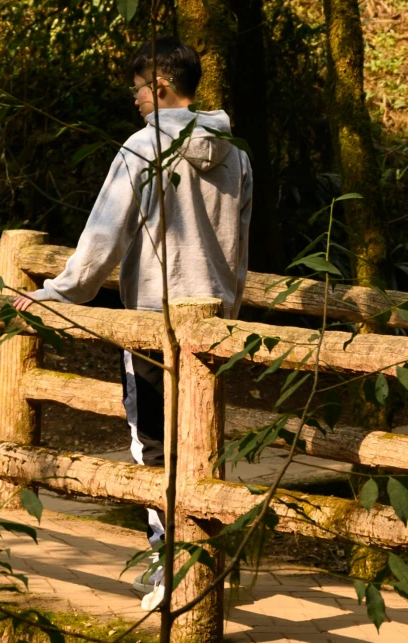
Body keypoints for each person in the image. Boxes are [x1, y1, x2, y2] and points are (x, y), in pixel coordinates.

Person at [29, 38, 253, 610]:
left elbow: (104, 235)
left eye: (137, 89)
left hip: (157, 320)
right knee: (203, 441)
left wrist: (59, 294)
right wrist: (230, 304)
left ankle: (172, 571)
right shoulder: (235, 152)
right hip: (218, 320)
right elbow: (240, 242)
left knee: (153, 444)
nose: (134, 101)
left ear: (158, 87)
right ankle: (206, 564)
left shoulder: (143, 146)